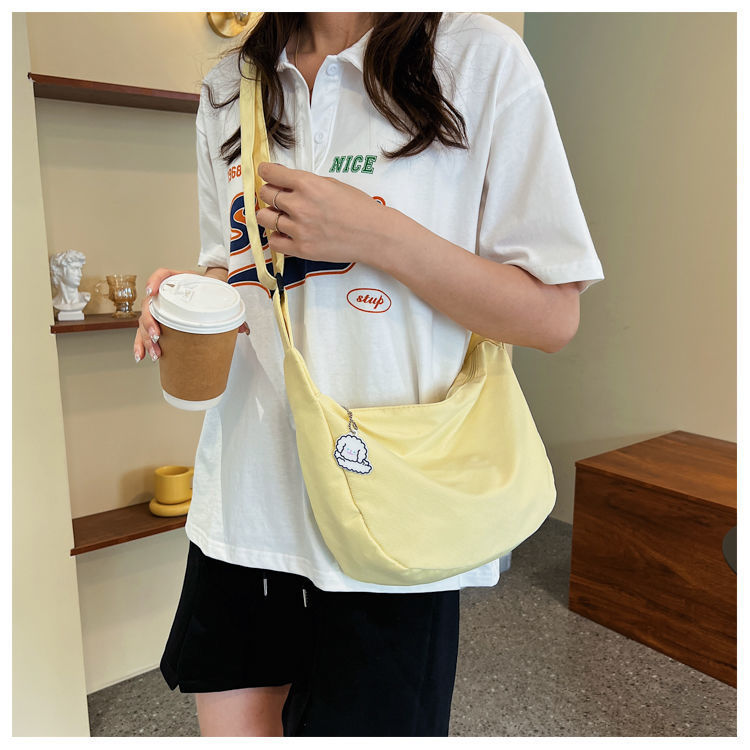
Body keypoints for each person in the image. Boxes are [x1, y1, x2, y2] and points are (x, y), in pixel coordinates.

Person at [133, 12, 604, 737]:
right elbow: (236, 271)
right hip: (248, 506)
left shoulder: (478, 59)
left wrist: (378, 235)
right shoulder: (231, 83)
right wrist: (192, 300)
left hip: (394, 509)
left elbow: (552, 315)